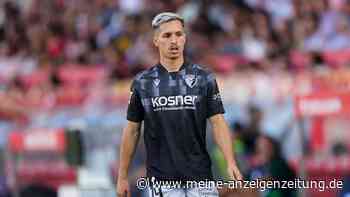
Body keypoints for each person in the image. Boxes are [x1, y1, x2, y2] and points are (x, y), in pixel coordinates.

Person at [116, 12, 242, 197]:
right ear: (156, 40)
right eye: (167, 35)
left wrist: (231, 162)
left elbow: (218, 122)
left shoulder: (204, 79)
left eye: (178, 34)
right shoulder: (142, 83)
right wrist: (122, 176)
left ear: (185, 38)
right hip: (162, 182)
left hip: (201, 180)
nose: (174, 40)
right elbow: (132, 130)